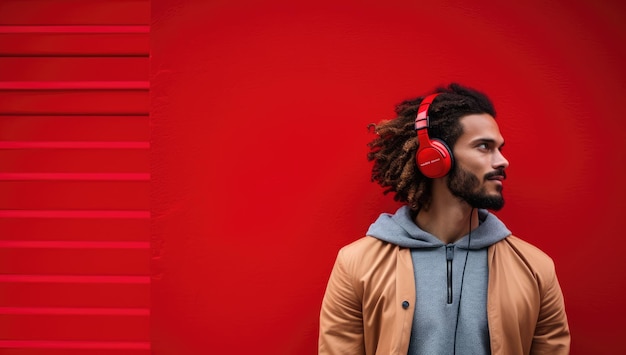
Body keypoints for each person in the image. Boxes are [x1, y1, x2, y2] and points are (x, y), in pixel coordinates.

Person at [318, 83, 570, 355]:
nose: (502, 161)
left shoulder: (535, 269)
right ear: (436, 158)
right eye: (484, 147)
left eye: (499, 148)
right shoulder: (357, 265)